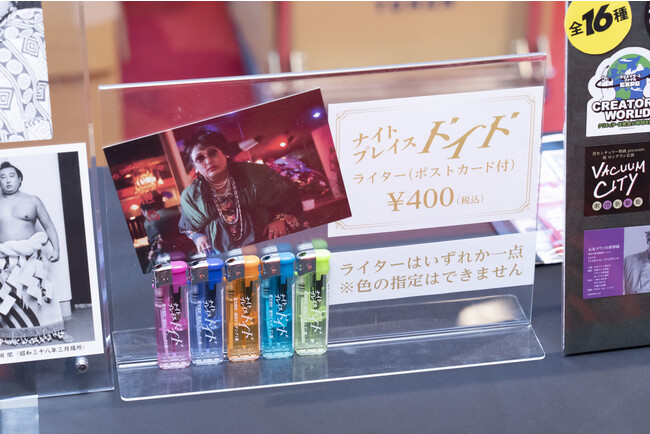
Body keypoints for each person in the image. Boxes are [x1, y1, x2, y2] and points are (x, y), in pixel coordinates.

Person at [178, 128, 306, 254]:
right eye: (200, 158)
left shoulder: (253, 173)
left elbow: (288, 194)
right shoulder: (191, 195)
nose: (208, 160)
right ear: (195, 166)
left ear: (225, 153)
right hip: (225, 254)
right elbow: (188, 227)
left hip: (267, 243)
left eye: (213, 153)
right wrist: (198, 237)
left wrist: (280, 219)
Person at [0, 161, 71, 345]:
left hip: (33, 257)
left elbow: (49, 226)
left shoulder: (33, 200)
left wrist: (56, 248)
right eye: (2, 177)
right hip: (5, 258)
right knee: (8, 299)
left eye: (11, 176)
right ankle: (9, 334)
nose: (7, 180)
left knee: (42, 296)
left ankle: (55, 330)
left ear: (19, 179)